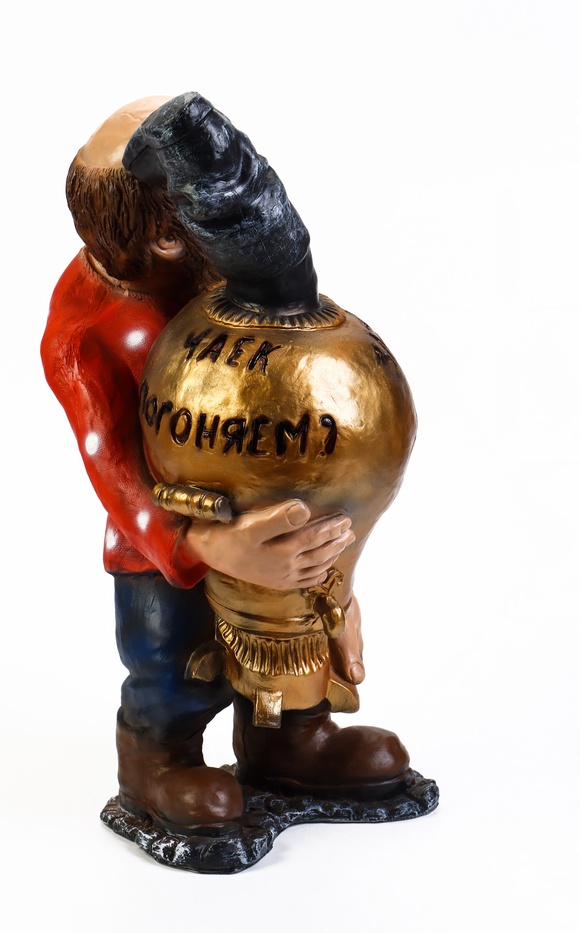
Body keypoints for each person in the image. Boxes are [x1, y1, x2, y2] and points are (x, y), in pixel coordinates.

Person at [42, 96, 408, 838]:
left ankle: (289, 741)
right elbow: (112, 466)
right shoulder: (88, 327)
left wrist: (339, 573)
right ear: (155, 234)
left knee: (298, 626)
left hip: (271, 506)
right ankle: (157, 758)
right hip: (167, 538)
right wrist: (204, 545)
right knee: (172, 653)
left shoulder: (216, 274)